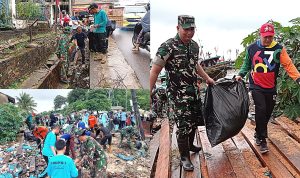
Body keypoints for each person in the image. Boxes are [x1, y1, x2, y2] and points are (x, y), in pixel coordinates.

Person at [150, 15, 215, 171]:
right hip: (177, 95)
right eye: (186, 29)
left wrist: (207, 78)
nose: (189, 33)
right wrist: (149, 90)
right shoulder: (167, 46)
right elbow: (155, 70)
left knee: (194, 121)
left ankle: (191, 145)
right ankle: (184, 157)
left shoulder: (194, 46)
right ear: (178, 28)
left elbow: (195, 65)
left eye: (192, 29)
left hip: (193, 92)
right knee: (184, 126)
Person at [235, 23, 300, 154]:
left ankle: (258, 133)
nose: (268, 39)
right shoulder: (252, 48)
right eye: (265, 37)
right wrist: (240, 74)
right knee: (261, 109)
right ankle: (263, 140)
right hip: (256, 85)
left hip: (270, 86)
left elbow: (288, 64)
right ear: (260, 35)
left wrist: (298, 78)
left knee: (267, 112)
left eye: (270, 37)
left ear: (273, 36)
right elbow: (247, 64)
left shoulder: (279, 49)